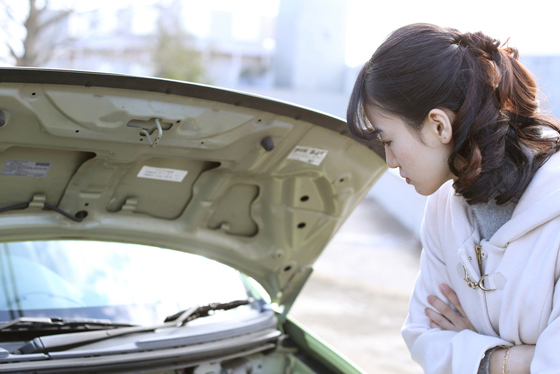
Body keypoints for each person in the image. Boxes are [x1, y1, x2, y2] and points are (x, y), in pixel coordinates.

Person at [346, 23, 560, 374]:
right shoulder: (443, 208)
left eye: (387, 141)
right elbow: (422, 335)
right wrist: (518, 359)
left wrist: (477, 355)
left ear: (439, 126)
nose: (390, 161)